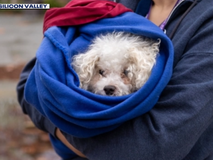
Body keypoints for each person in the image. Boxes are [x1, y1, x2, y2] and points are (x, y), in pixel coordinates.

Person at [17, 0, 213, 159]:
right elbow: (29, 86)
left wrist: (61, 126)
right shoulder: (108, 3)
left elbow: (153, 148)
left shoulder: (206, 20)